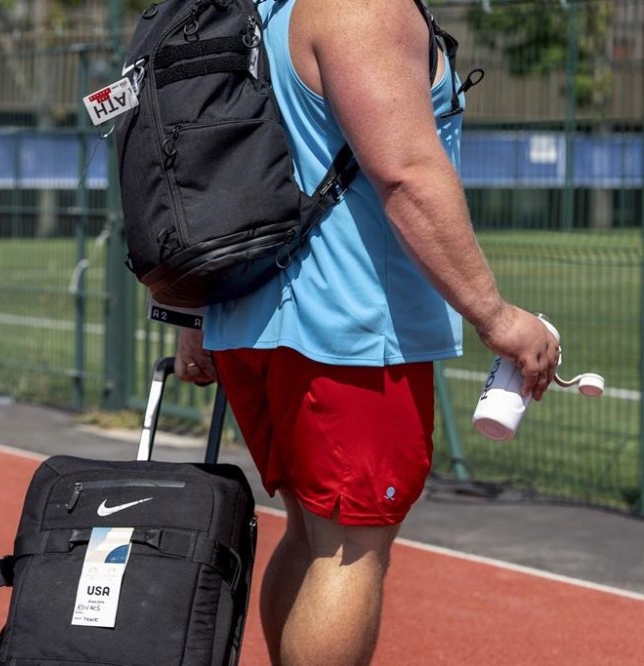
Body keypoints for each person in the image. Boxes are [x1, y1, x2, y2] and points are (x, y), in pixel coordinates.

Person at [174, 0, 561, 664]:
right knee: (349, 550)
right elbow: (406, 172)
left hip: (251, 313)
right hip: (348, 329)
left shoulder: (262, 8)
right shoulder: (365, 8)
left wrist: (192, 314)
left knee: (309, 536)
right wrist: (495, 316)